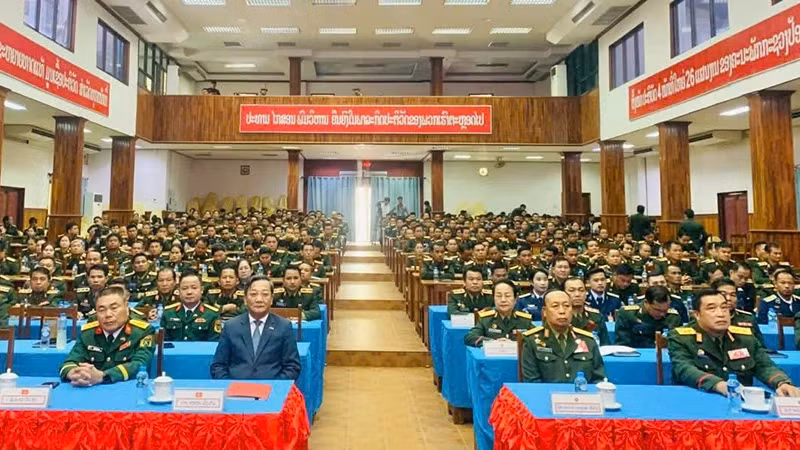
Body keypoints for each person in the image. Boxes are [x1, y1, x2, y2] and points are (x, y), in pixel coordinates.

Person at [668, 289, 799, 397]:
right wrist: (718, 385)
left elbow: (764, 366)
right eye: (711, 309)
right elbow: (684, 369)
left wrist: (782, 383)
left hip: (740, 403)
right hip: (699, 398)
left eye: (724, 308)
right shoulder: (681, 338)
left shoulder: (744, 338)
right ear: (697, 315)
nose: (720, 314)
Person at [59, 286, 156, 385]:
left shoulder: (142, 332)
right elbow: (69, 362)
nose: (108, 314)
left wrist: (102, 376)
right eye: (101, 310)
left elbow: (140, 364)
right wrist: (74, 373)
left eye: (114, 308)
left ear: (127, 308)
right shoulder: (88, 333)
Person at [210, 275, 301, 380]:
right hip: (236, 390)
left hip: (271, 391)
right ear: (245, 299)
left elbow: (293, 366)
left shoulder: (284, 326)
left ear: (271, 299)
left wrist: (275, 386)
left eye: (265, 294)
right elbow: (218, 366)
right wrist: (229, 385)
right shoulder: (231, 326)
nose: (259, 299)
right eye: (253, 294)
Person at [521, 290, 606, 383]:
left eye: (566, 306)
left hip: (583, 395)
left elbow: (599, 379)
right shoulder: (532, 341)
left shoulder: (587, 340)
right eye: (555, 306)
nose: (562, 311)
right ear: (545, 311)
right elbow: (532, 382)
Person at [464, 280, 533, 347]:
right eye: (499, 296)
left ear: (515, 299)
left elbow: (537, 340)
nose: (503, 300)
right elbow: (469, 338)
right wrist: (492, 342)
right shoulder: (485, 319)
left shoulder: (525, 320)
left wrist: (514, 344)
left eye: (507, 296)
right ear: (493, 298)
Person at [161, 271, 221, 341]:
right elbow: (163, 344)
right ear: (179, 291)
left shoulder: (212, 314)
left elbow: (214, 344)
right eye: (184, 288)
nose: (189, 292)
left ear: (201, 290)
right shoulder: (168, 313)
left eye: (194, 288)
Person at [614, 286, 681, 348]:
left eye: (665, 310)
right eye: (657, 310)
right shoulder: (628, 314)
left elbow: (678, 345)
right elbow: (622, 345)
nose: (662, 314)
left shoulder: (673, 317)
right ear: (646, 302)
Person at [712, 278, 765, 346]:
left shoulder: (748, 318)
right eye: (723, 294)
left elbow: (761, 347)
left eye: (733, 295)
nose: (728, 298)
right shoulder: (703, 318)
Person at [564, 276, 610, 346]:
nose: (577, 294)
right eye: (572, 290)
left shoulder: (596, 316)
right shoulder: (559, 317)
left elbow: (605, 345)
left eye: (581, 290)